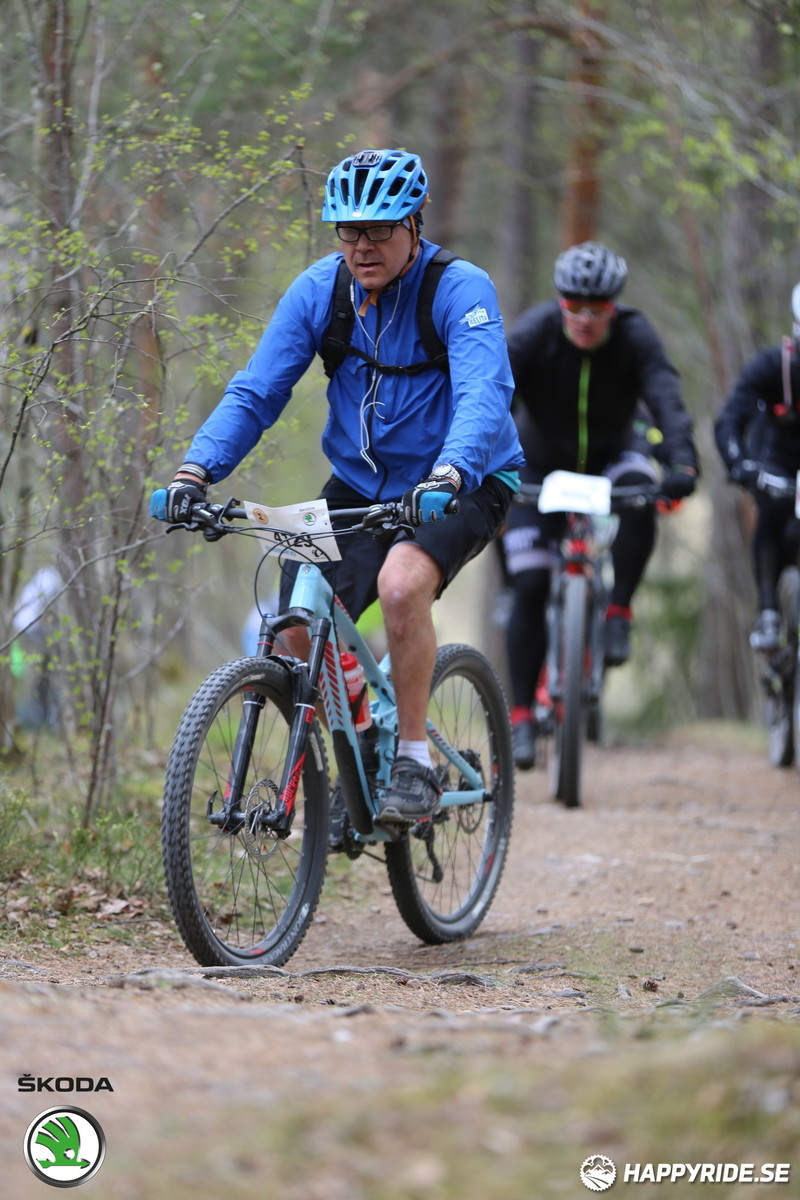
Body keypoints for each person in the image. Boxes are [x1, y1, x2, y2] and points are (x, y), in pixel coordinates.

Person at [151, 147, 524, 836]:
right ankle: (357, 726)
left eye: (380, 229)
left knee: (402, 583)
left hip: (463, 481)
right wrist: (194, 472)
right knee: (293, 623)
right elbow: (257, 392)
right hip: (357, 487)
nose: (363, 245)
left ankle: (413, 756)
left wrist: (450, 472)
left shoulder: (459, 289)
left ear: (415, 224)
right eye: (348, 230)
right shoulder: (319, 293)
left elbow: (483, 394)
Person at [502, 241, 699, 769]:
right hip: (540, 462)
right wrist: (473, 460)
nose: (585, 320)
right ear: (559, 302)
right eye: (574, 307)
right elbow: (492, 394)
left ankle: (617, 609)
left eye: (598, 310)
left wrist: (682, 464)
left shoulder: (636, 335)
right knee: (529, 583)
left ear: (615, 307)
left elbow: (667, 396)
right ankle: (520, 716)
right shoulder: (535, 333)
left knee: (642, 487)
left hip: (615, 453)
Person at [714, 283, 800, 651]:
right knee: (772, 514)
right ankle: (767, 610)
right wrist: (740, 462)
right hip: (775, 462)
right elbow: (731, 418)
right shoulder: (773, 365)